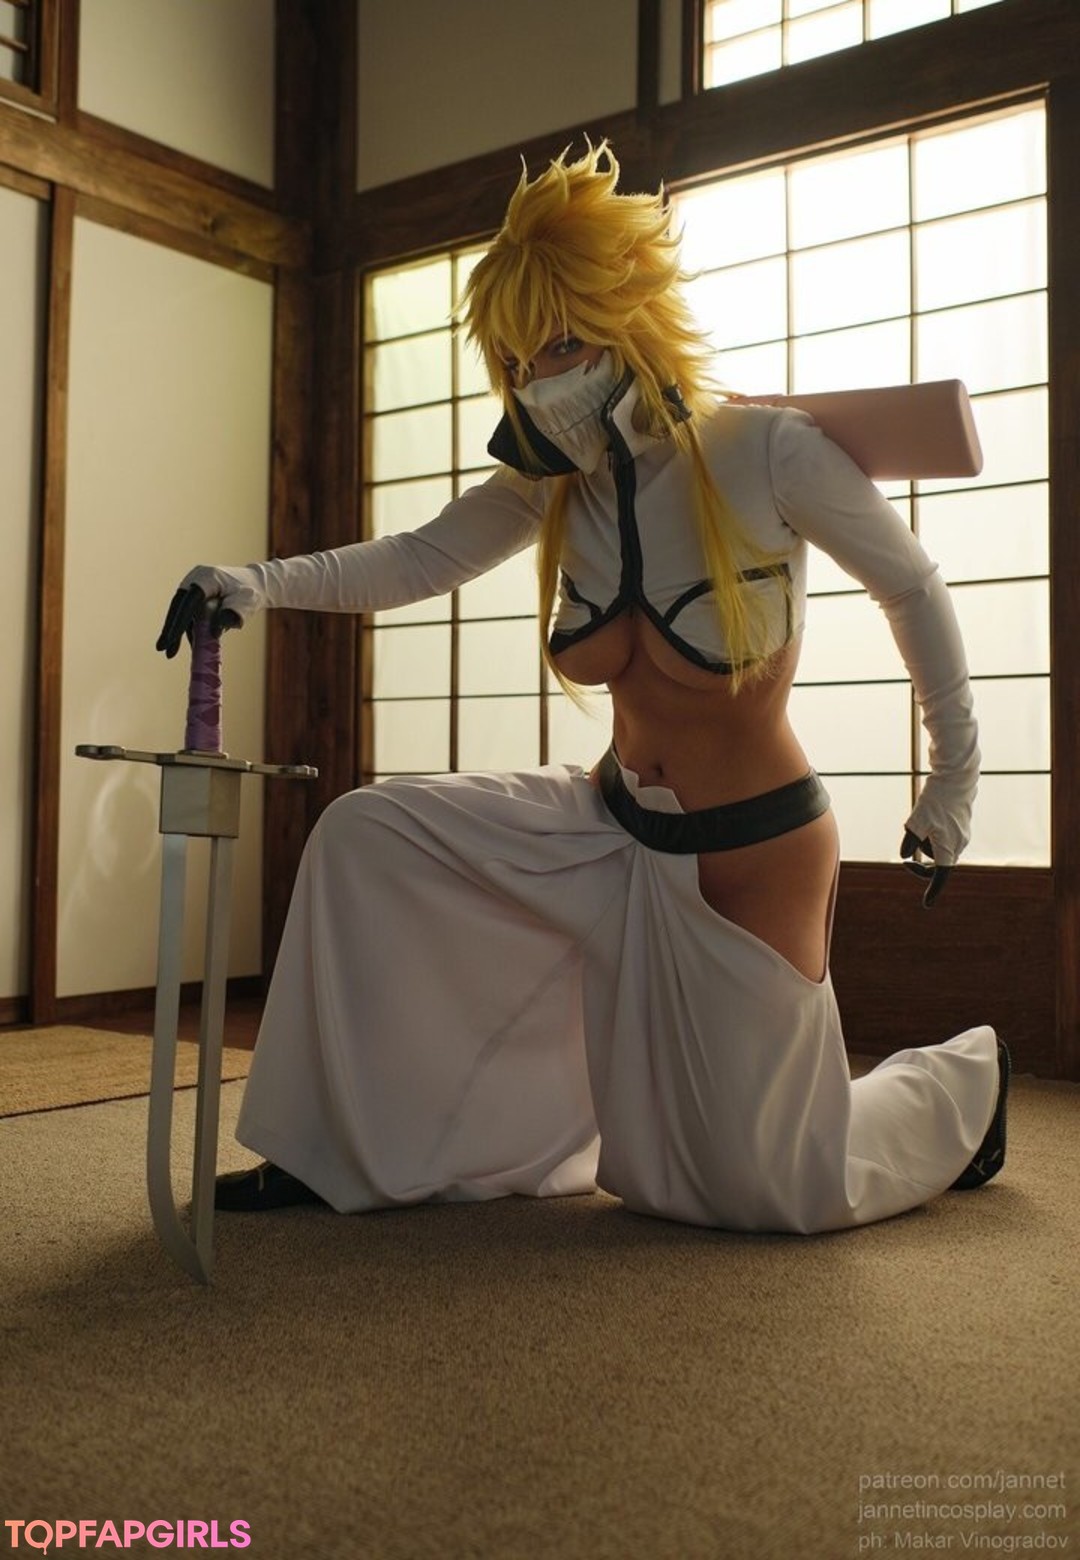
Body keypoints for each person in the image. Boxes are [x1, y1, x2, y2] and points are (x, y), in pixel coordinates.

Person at [157, 143, 1008, 1233]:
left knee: (775, 1186)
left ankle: (964, 1083)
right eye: (514, 359)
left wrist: (953, 781)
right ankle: (331, 1156)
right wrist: (254, 583)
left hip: (749, 855)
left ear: (628, 317)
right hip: (604, 828)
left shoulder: (767, 452)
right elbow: (420, 558)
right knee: (365, 836)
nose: (539, 378)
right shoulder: (551, 482)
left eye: (562, 342)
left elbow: (912, 585)